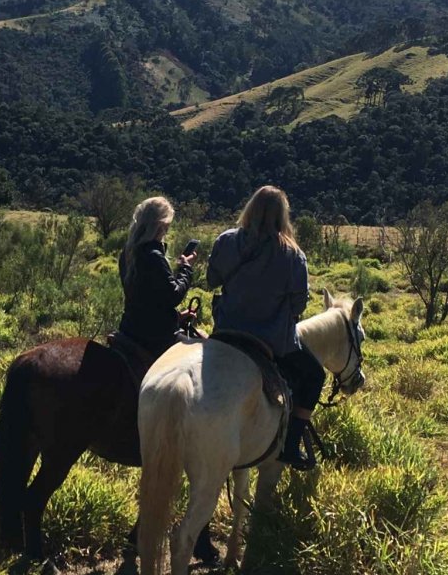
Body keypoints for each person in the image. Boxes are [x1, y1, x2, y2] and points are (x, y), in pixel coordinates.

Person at [206, 185, 324, 470]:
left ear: (251, 209)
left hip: (225, 334)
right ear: (282, 216)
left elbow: (211, 280)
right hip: (270, 341)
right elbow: (298, 306)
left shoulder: (226, 241)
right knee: (314, 375)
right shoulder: (294, 255)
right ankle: (291, 445)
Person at [117, 196, 198, 359]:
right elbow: (173, 295)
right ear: (160, 226)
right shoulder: (153, 256)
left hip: (130, 328)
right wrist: (186, 269)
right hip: (156, 336)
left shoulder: (128, 253)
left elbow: (146, 298)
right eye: (167, 227)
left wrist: (177, 317)